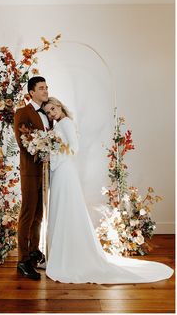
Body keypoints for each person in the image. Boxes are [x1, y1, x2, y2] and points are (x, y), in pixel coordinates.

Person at [42, 97, 174, 284]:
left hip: (64, 169)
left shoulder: (66, 123)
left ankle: (68, 257)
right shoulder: (59, 125)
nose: (51, 113)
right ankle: (59, 253)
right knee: (61, 207)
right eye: (48, 112)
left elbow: (74, 149)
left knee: (67, 207)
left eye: (53, 108)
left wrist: (55, 152)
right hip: (59, 170)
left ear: (60, 106)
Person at [14, 76, 52, 280]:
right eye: (41, 88)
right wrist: (41, 150)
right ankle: (22, 260)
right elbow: (23, 143)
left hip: (45, 172)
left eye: (47, 87)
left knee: (39, 214)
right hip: (30, 170)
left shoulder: (48, 113)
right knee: (28, 214)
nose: (46, 91)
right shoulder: (23, 112)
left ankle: (34, 251)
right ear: (32, 92)